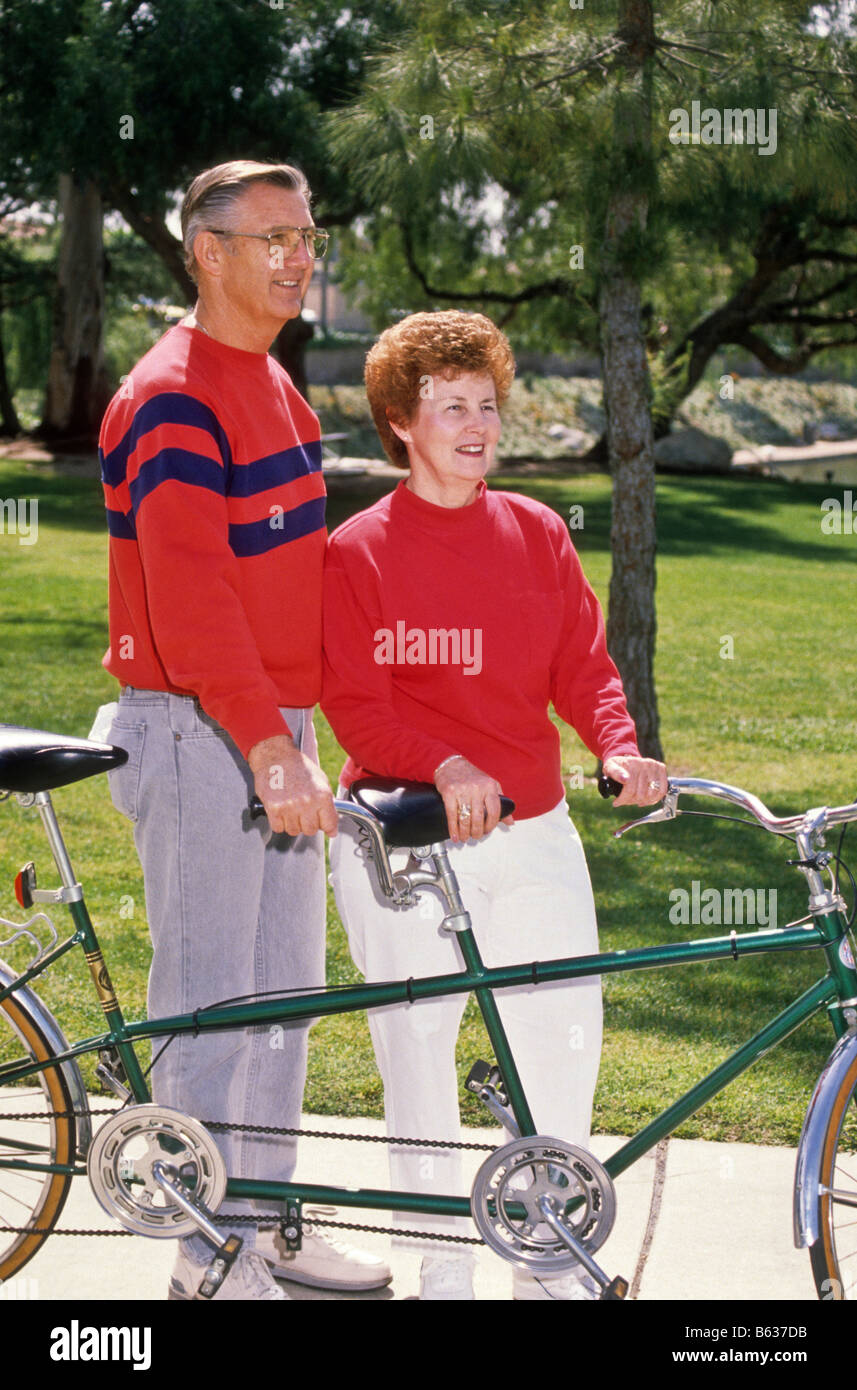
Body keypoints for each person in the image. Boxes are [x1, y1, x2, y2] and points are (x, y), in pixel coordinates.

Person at [322, 310, 666, 1301]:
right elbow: (357, 709)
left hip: (534, 833)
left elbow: (581, 669)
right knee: (420, 1060)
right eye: (450, 406)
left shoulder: (535, 529)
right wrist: (444, 765)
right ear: (399, 422)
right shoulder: (358, 550)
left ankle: (547, 1253)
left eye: (487, 404)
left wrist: (616, 744)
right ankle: (440, 1270)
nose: (476, 425)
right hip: (404, 845)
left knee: (556, 1046)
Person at [98, 159, 390, 1300]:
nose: (297, 254)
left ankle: (264, 1225)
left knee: (282, 1000)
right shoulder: (171, 394)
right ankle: (201, 1257)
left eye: (306, 233)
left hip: (276, 729)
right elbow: (192, 599)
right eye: (270, 235)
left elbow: (292, 590)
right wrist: (269, 750)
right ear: (203, 251)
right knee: (210, 1001)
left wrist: (317, 728)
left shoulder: (278, 389)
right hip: (197, 730)